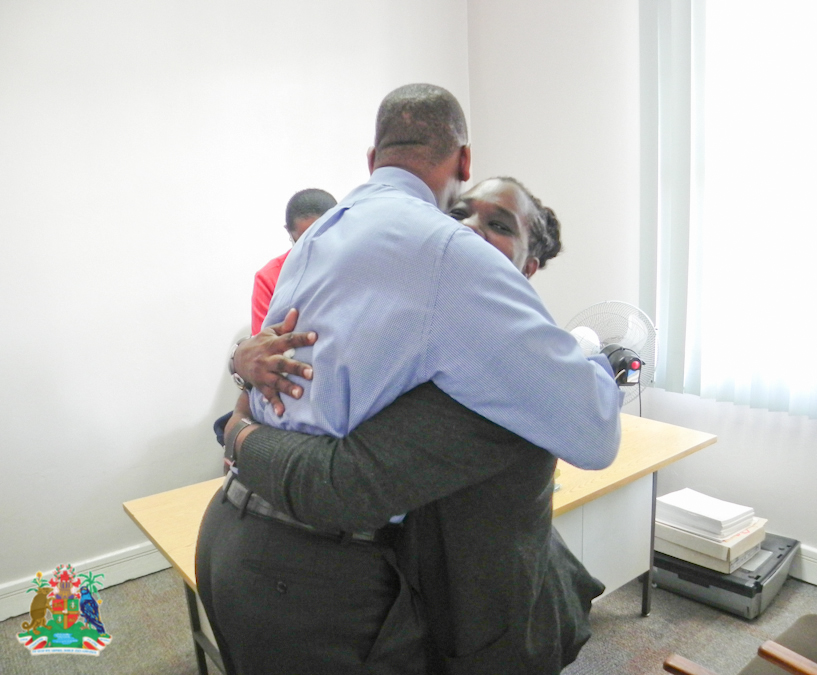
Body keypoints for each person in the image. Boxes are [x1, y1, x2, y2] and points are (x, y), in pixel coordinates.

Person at [197, 83, 622, 674]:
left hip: (242, 541)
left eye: (499, 224)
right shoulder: (447, 267)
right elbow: (339, 478)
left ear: (374, 158)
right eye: (463, 213)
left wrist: (239, 424)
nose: (473, 231)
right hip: (309, 574)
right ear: (463, 161)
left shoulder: (328, 232)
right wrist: (588, 353)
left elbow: (284, 391)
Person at [250, 188, 337, 335]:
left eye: (323, 239)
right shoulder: (269, 278)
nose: (314, 250)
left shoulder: (354, 267)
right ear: (289, 232)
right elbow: (263, 344)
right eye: (302, 242)